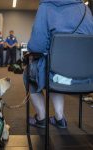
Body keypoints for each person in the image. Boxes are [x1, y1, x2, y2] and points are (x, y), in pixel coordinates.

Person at [24, 0, 93, 129]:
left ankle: (41, 117)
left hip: (58, 74)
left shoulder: (46, 7)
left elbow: (36, 46)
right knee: (55, 69)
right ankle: (59, 118)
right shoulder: (85, 9)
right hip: (87, 77)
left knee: (29, 72)